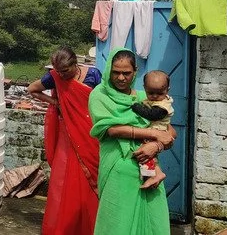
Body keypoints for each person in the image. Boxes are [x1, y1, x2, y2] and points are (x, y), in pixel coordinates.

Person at [88, 48, 176, 235]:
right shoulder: (99, 96)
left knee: (153, 220)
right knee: (117, 222)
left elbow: (169, 133)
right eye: (116, 72)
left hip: (148, 169)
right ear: (108, 71)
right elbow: (112, 129)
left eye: (126, 73)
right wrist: (153, 133)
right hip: (118, 167)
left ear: (135, 71)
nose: (121, 78)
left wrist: (155, 145)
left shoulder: (146, 98)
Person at [26, 46, 101, 235]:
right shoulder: (54, 77)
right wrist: (55, 102)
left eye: (65, 71)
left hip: (90, 132)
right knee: (65, 178)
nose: (62, 75)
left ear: (76, 64)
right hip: (68, 135)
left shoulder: (93, 75)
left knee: (91, 175)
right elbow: (32, 89)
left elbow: (102, 99)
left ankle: (91, 226)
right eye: (58, 71)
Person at [131, 70, 175, 189]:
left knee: (145, 153)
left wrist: (136, 108)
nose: (155, 96)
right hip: (154, 131)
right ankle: (155, 174)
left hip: (157, 131)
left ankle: (153, 175)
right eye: (150, 93)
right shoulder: (152, 99)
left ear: (167, 90)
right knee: (149, 155)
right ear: (144, 88)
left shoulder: (164, 105)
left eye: (159, 93)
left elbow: (152, 115)